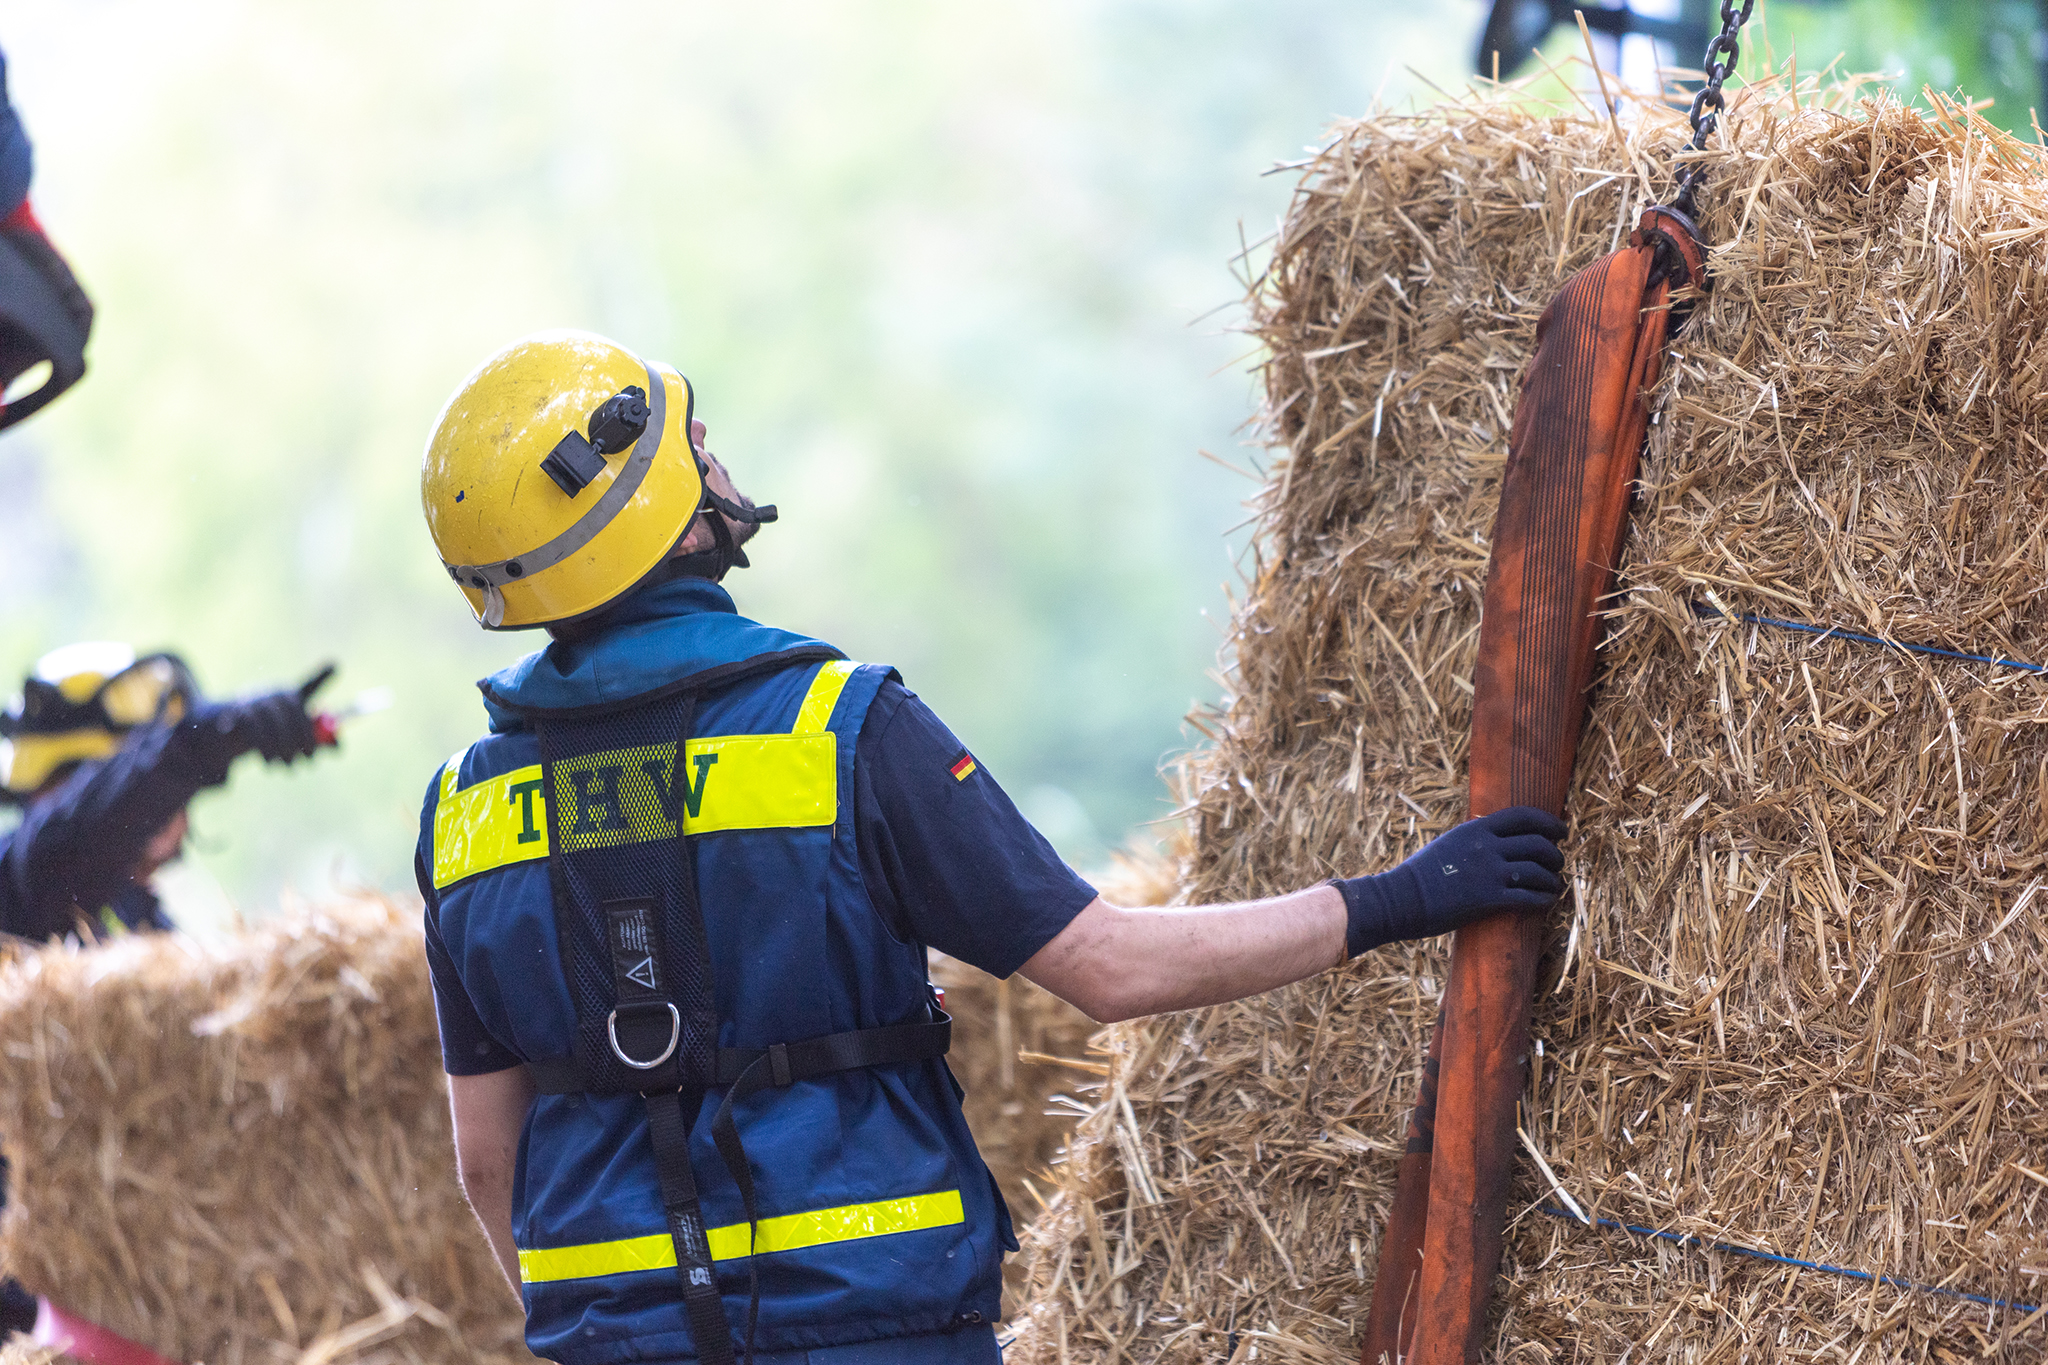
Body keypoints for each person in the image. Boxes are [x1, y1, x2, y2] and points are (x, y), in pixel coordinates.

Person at [416, 330, 1568, 1365]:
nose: (714, 459)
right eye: (694, 448)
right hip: (871, 1330)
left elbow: (485, 1160)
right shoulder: (840, 732)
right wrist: (1397, 898)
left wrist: (622, 1324)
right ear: (654, 514)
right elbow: (1109, 968)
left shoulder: (460, 814)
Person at [0, 641, 331, 943]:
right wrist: (215, 736)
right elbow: (72, 840)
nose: (181, 825)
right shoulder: (19, 885)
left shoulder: (134, 918)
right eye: (167, 803)